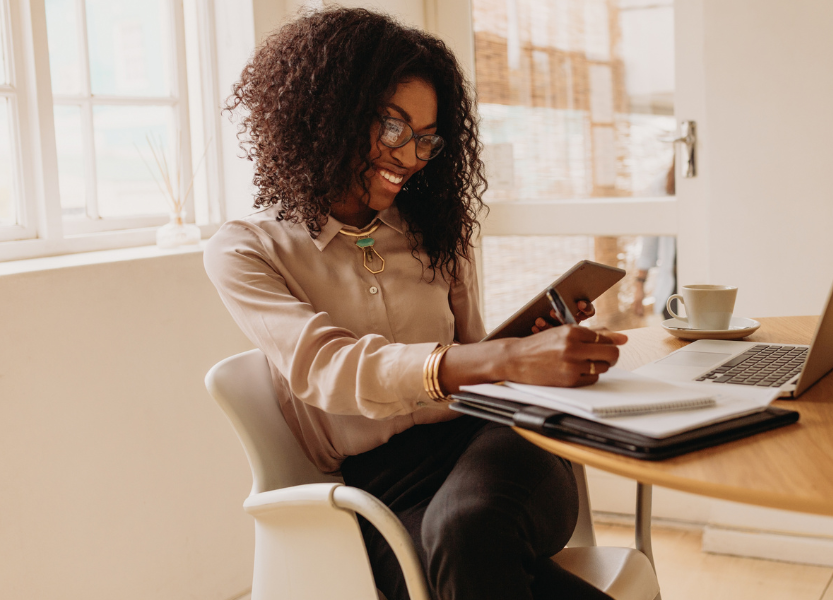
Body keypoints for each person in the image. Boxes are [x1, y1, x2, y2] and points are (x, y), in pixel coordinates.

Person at [204, 8, 626, 600]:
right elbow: (329, 370)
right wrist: (500, 360)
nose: (409, 156)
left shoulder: (434, 230)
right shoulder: (249, 250)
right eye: (393, 126)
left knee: (466, 528)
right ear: (326, 114)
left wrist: (518, 346)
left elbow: (473, 358)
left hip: (497, 446)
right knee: (474, 564)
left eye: (426, 139)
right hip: (378, 492)